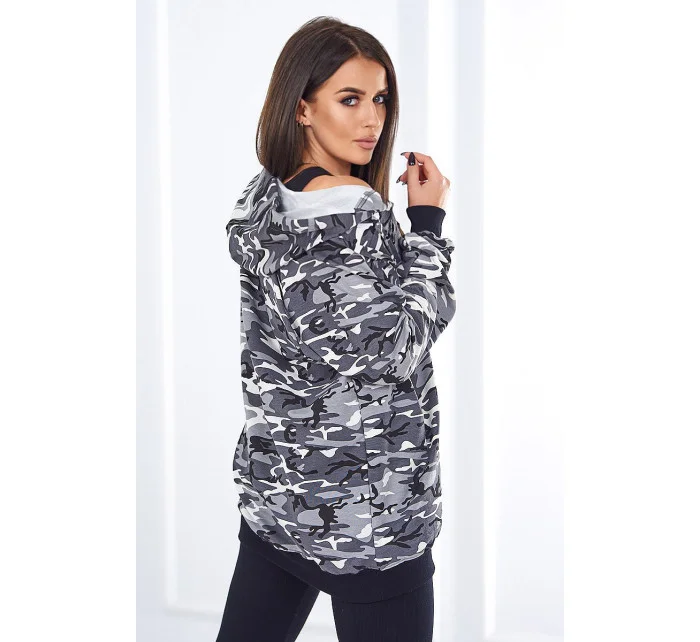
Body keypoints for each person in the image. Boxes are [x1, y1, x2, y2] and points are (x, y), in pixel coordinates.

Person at [216, 16, 456, 642]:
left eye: (380, 98)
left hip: (283, 493)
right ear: (302, 107)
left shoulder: (266, 199)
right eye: (349, 99)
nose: (372, 119)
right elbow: (392, 347)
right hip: (370, 516)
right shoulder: (344, 217)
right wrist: (427, 227)